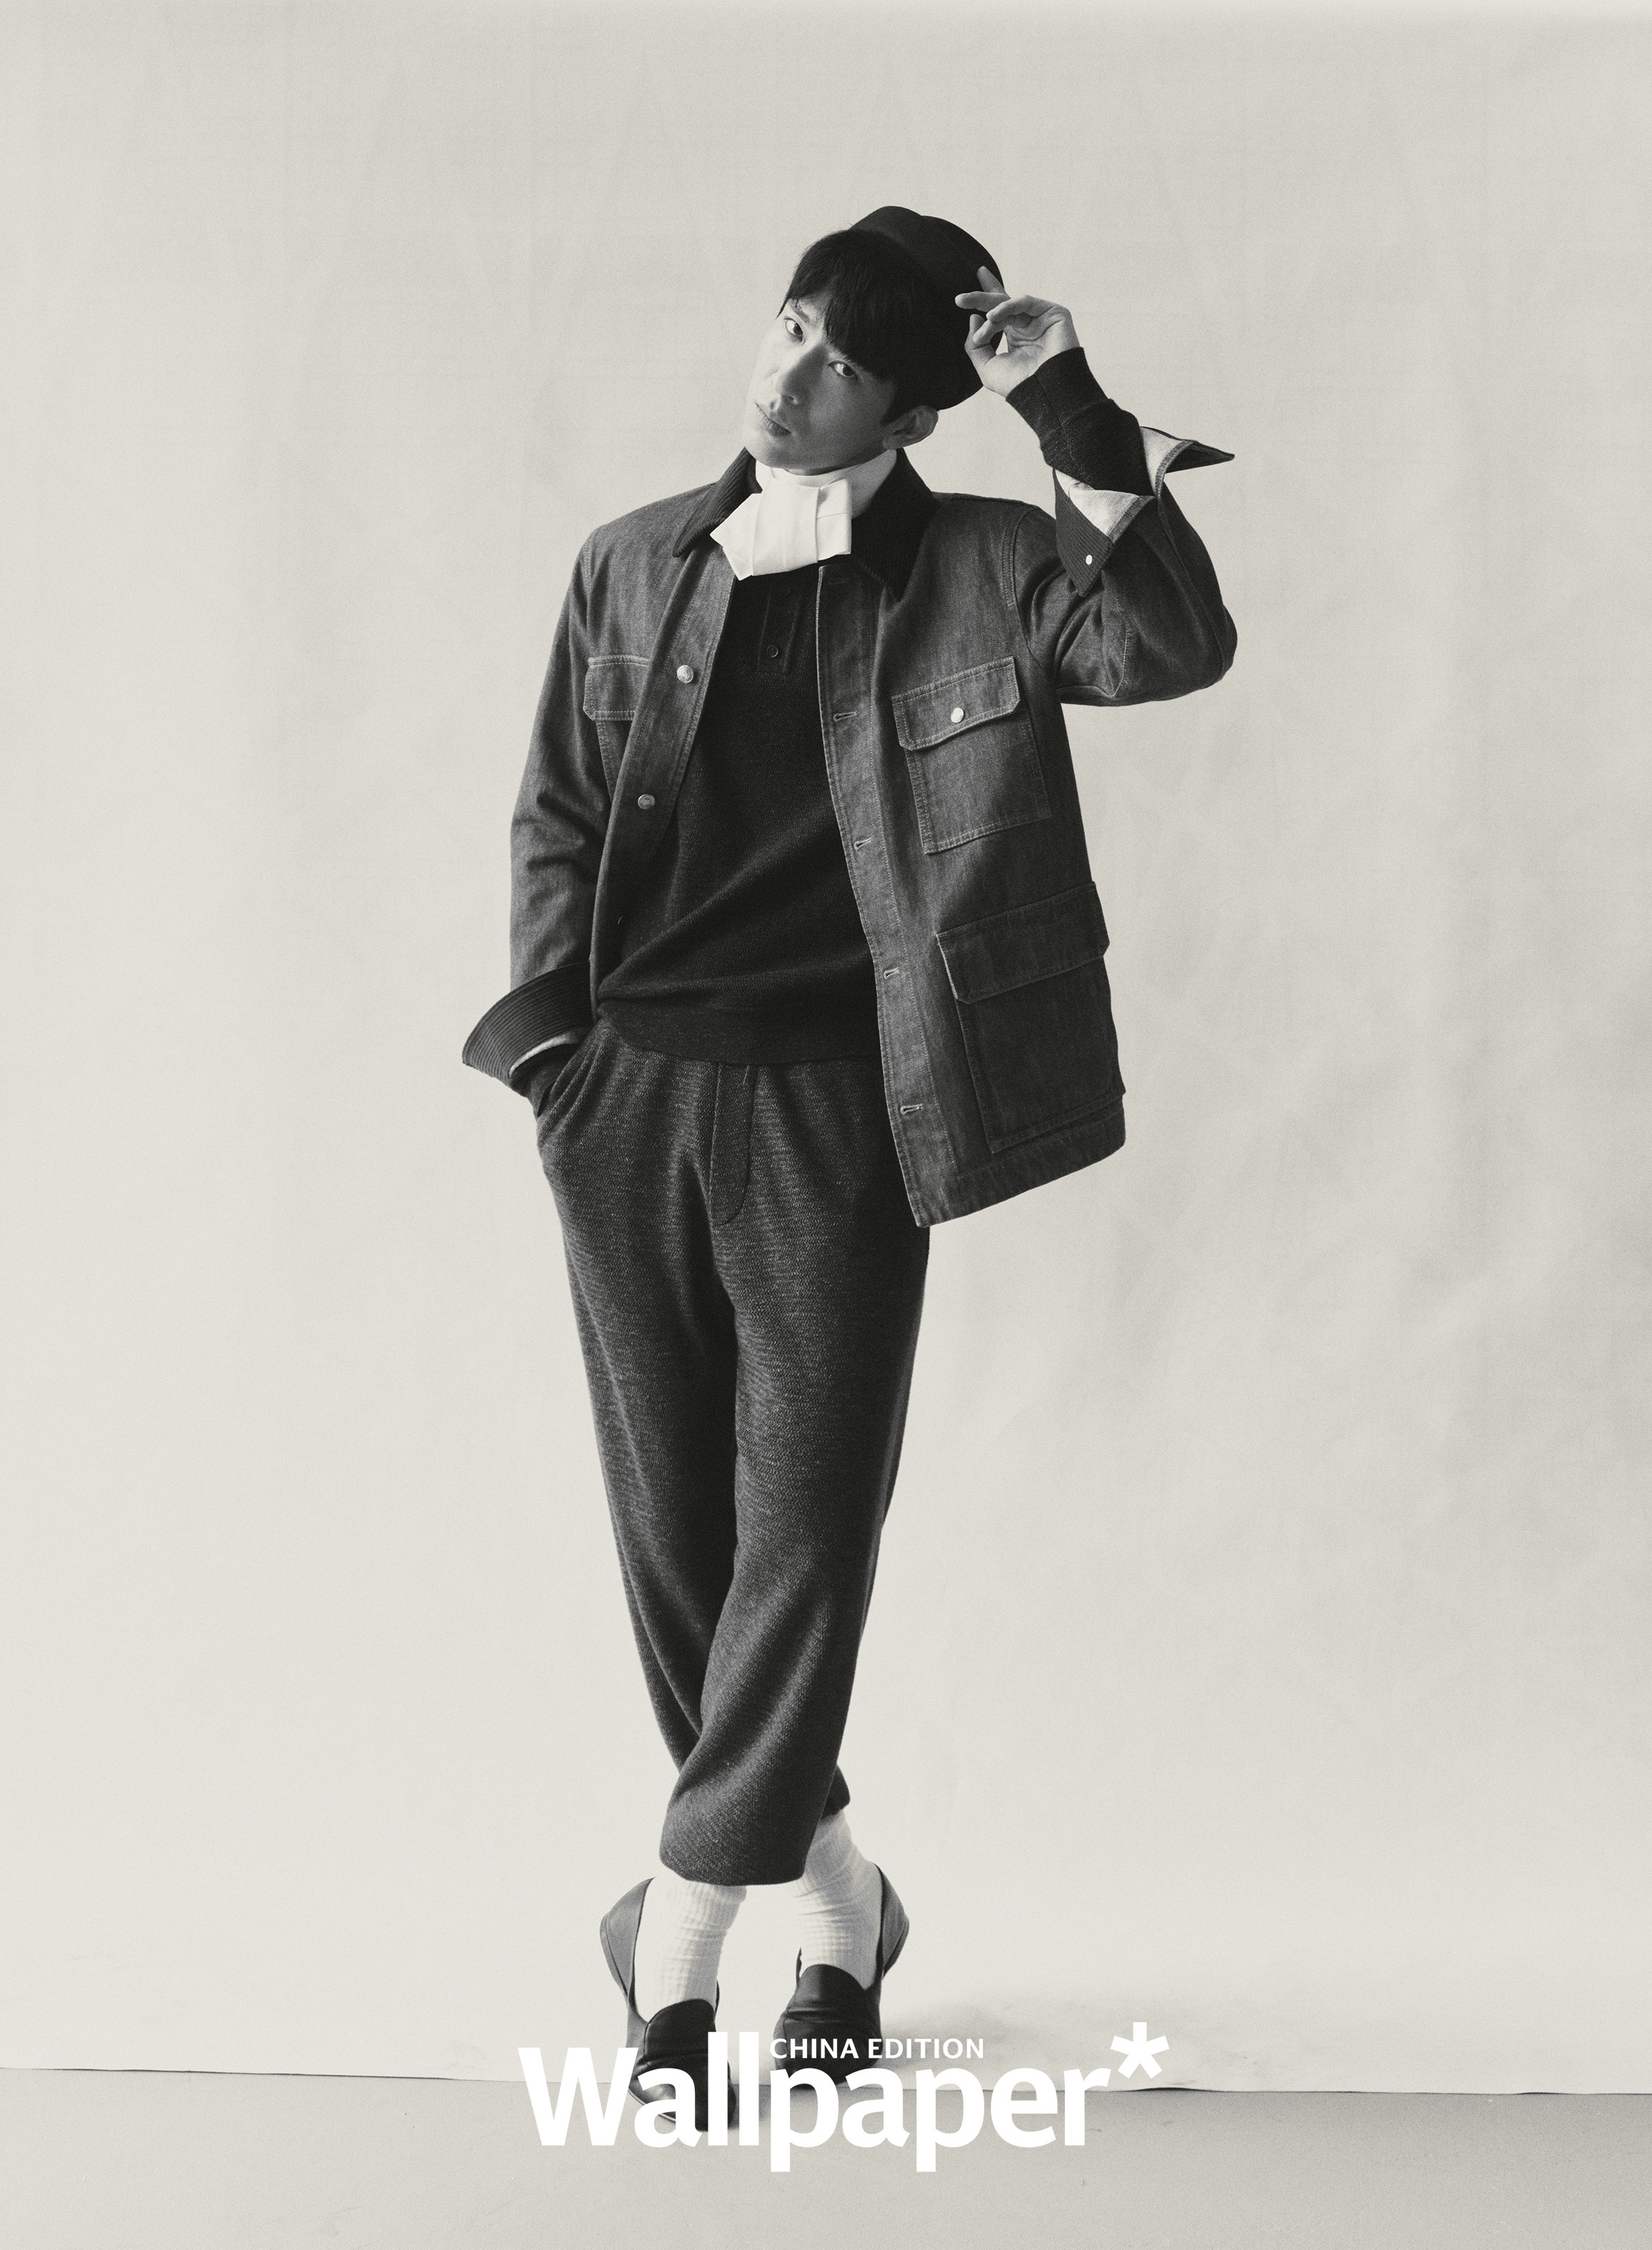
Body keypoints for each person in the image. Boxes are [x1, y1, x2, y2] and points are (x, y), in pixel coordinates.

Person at [462, 206, 1236, 2129]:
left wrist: (1069, 409)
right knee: (679, 1540)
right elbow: (557, 808)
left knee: (800, 1530)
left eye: (839, 364)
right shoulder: (633, 558)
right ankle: (843, 1918)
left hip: (840, 1108)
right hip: (625, 1094)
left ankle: (675, 1947)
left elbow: (1169, 644)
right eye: (788, 325)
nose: (787, 376)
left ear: (908, 412)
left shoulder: (988, 565)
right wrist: (553, 1050)